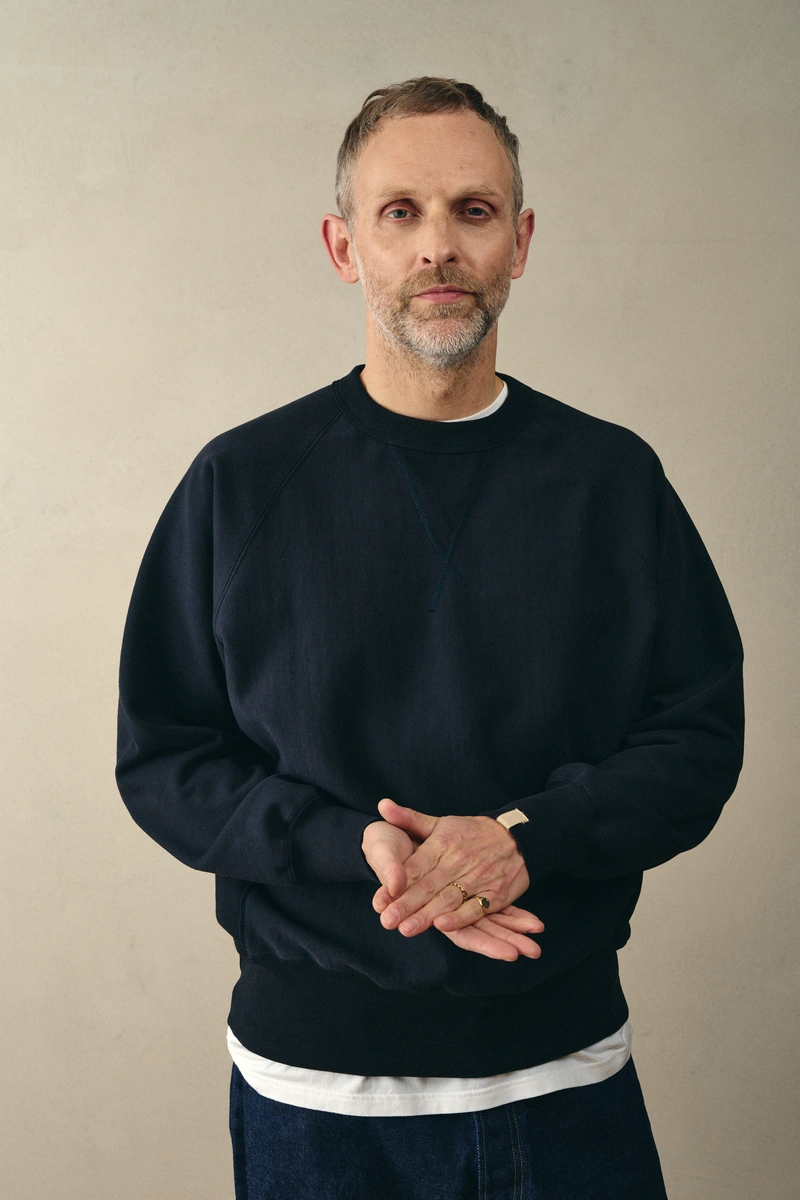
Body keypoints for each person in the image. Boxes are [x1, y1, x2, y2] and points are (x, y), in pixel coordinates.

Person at [115, 76, 745, 1199]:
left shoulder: (611, 480)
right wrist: (349, 843)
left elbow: (697, 739)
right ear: (343, 246)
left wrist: (527, 836)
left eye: (473, 210)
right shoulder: (240, 482)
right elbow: (164, 759)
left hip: (565, 1080)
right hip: (316, 1100)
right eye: (399, 212)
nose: (437, 246)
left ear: (520, 242)